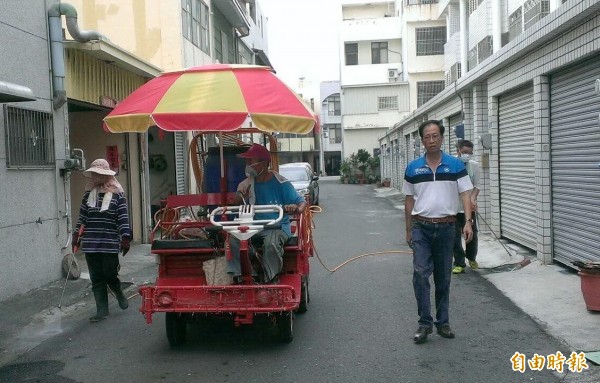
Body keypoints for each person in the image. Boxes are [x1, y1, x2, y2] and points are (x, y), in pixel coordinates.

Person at [403, 120, 474, 344]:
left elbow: (465, 194)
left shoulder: (455, 165)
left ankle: (443, 322)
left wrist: (468, 222)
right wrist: (408, 230)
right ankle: (424, 323)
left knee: (443, 278)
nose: (431, 140)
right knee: (420, 275)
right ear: (422, 140)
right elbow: (408, 200)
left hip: (447, 227)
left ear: (442, 138)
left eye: (435, 136)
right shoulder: (413, 168)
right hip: (420, 227)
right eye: (427, 136)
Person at [227, 144, 307, 283]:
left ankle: (271, 278)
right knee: (233, 240)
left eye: (251, 161)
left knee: (271, 242)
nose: (247, 165)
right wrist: (242, 197)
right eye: (247, 162)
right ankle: (244, 277)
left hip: (277, 227)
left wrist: (295, 208)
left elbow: (301, 202)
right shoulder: (246, 184)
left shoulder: (281, 183)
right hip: (254, 226)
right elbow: (236, 203)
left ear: (264, 163)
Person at [73, 159, 131, 322]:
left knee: (109, 274)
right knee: (97, 277)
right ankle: (102, 310)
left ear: (105, 175)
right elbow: (83, 217)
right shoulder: (88, 193)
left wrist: (125, 237)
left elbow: (123, 217)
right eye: (94, 173)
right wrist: (76, 235)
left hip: (109, 242)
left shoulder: (117, 193)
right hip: (91, 242)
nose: (95, 176)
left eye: (98, 174)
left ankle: (118, 292)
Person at [452, 139, 481, 274]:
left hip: (468, 207)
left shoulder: (474, 166)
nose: (466, 155)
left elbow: (477, 186)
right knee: (454, 236)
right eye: (464, 152)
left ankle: (471, 257)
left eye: (469, 153)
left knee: (471, 234)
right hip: (453, 207)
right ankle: (459, 262)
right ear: (458, 151)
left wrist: (472, 199)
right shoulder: (451, 165)